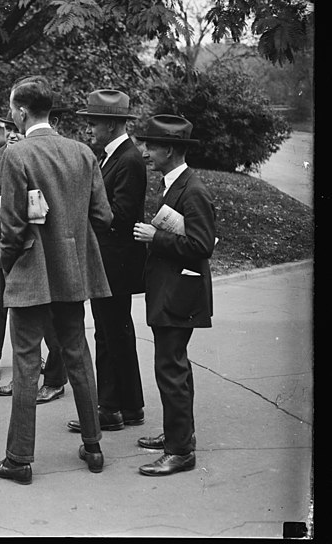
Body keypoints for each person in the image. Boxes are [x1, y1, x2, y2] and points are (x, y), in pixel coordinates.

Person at [0, 75, 114, 484]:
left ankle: (19, 459)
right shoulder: (82, 153)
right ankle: (93, 447)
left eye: (10, 109)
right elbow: (104, 217)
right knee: (78, 355)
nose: (10, 114)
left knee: (25, 364)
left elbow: (12, 228)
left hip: (30, 273)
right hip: (71, 273)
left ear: (22, 112)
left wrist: (10, 266)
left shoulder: (16, 156)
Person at [132, 114, 216, 476]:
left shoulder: (193, 190)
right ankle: (178, 435)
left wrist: (156, 238)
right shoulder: (176, 184)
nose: (146, 152)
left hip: (179, 295)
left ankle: (180, 451)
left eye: (151, 146)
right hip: (172, 291)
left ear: (168, 149)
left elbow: (200, 245)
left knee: (170, 368)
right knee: (175, 366)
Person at [0, 111, 66, 404]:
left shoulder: (32, 159)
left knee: (40, 309)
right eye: (7, 130)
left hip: (31, 246)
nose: (12, 134)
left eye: (16, 129)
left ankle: (44, 372)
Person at [67, 89, 147, 434]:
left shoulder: (127, 160)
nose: (90, 129)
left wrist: (84, 210)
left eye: (94, 122)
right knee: (116, 332)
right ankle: (129, 406)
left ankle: (110, 408)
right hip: (111, 261)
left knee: (109, 333)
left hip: (115, 263)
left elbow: (122, 215)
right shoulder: (113, 156)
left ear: (112, 125)